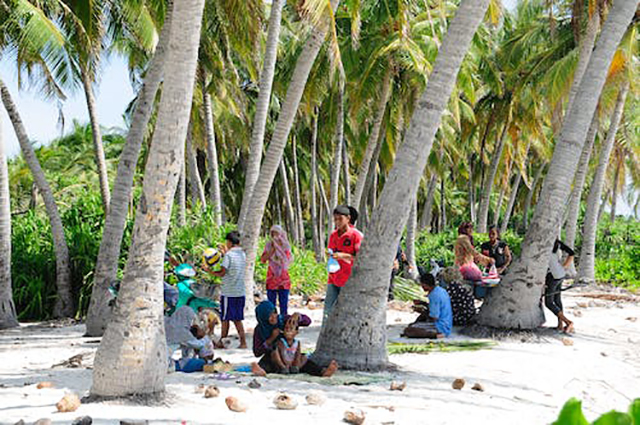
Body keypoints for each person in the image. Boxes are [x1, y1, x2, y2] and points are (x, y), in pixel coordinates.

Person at [250, 301, 338, 377]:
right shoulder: (259, 330)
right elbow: (257, 352)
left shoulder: (283, 320)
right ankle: (261, 371)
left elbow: (307, 321)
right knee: (268, 360)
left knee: (305, 360)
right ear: (263, 318)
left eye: (274, 313)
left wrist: (298, 316)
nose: (273, 317)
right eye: (269, 316)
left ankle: (323, 372)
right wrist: (271, 339)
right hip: (275, 357)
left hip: (291, 353)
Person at [205, 231, 247, 348]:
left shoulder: (228, 256)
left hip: (229, 293)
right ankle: (243, 342)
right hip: (240, 292)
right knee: (237, 319)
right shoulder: (242, 254)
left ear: (229, 242)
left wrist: (209, 271)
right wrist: (225, 253)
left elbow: (222, 272)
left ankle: (222, 342)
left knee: (225, 319)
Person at [324, 205, 363, 318]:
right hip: (333, 277)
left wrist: (344, 256)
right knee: (328, 310)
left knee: (348, 311)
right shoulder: (333, 235)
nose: (337, 222)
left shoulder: (356, 235)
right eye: (335, 219)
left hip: (349, 279)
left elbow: (360, 258)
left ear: (348, 218)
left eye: (340, 219)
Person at [260, 225, 293, 317]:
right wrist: (272, 250)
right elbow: (263, 259)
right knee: (271, 305)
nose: (275, 235)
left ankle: (283, 323)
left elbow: (287, 259)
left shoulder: (285, 245)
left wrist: (279, 248)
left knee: (284, 305)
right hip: (272, 278)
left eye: (277, 233)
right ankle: (273, 324)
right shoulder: (269, 245)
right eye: (273, 233)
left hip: (283, 279)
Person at [545, 239, 575, 333]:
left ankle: (568, 322)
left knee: (549, 302)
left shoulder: (544, 245)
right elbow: (572, 253)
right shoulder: (555, 243)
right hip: (560, 274)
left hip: (552, 276)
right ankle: (560, 325)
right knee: (557, 300)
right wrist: (564, 266)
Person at [165, 306, 206, 372]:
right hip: (166, 362)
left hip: (158, 357)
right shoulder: (182, 332)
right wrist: (203, 335)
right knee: (201, 362)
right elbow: (199, 345)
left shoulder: (166, 321)